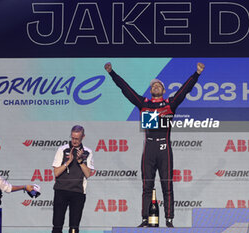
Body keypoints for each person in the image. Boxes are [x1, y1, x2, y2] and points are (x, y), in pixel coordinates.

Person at [104, 62, 205, 227]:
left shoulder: (170, 104)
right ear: (150, 91)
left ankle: (169, 220)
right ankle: (144, 220)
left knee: (167, 185)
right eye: (153, 86)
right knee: (146, 186)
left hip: (164, 148)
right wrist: (112, 73)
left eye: (159, 85)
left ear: (164, 91)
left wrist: (197, 74)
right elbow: (126, 90)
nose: (156, 86)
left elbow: (184, 90)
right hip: (149, 148)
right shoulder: (144, 104)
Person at [51, 125, 94, 233]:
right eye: (72, 138)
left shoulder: (88, 152)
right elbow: (56, 173)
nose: (74, 141)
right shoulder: (62, 149)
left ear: (83, 137)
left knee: (74, 227)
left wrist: (80, 161)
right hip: (61, 190)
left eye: (77, 139)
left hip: (78, 192)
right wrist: (68, 162)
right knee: (57, 225)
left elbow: (88, 174)